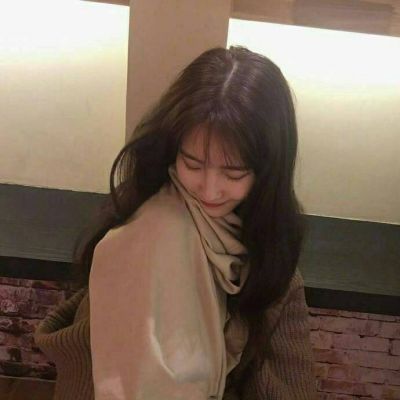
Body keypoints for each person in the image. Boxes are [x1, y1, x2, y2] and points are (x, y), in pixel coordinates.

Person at [34, 45, 318, 399]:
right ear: (172, 151)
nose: (209, 190)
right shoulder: (142, 240)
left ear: (268, 172)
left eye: (233, 173)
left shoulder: (271, 259)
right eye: (193, 164)